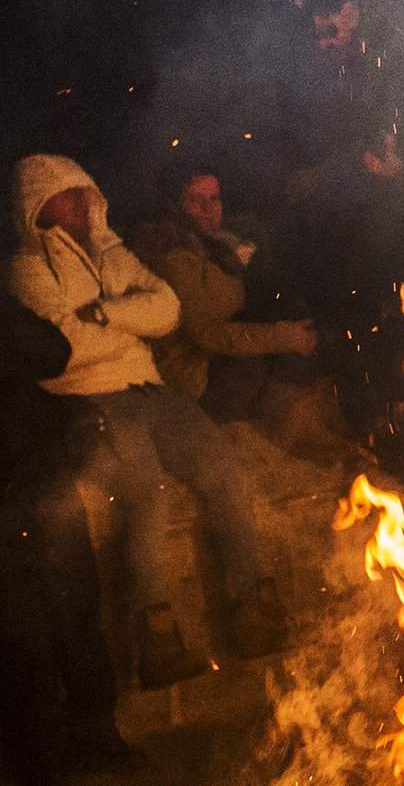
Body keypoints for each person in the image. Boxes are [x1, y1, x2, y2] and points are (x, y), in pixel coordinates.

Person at [6, 153, 288, 689]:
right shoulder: (27, 269)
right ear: (38, 206)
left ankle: (254, 608)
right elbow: (62, 349)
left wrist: (108, 313)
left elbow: (169, 311)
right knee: (147, 495)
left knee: (221, 466)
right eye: (66, 196)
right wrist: (122, 323)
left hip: (150, 388)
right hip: (93, 398)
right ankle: (157, 640)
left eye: (83, 191)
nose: (81, 203)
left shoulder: (113, 253)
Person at [133, 163, 352, 467]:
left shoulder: (218, 242)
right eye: (197, 201)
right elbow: (208, 335)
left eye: (215, 198)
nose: (210, 209)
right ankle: (297, 433)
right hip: (194, 374)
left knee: (300, 305)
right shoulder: (172, 258)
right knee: (274, 354)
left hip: (218, 351)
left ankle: (331, 410)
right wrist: (283, 336)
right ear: (174, 207)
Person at [0, 291, 135, 779]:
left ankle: (98, 737)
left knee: (77, 612)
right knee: (21, 635)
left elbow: (53, 350)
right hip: (11, 496)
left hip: (42, 481)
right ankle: (43, 760)